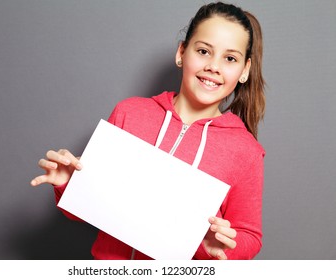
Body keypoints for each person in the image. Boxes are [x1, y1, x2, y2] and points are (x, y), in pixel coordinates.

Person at [31, 2, 266, 260]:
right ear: (182, 52)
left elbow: (249, 237)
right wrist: (69, 184)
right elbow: (83, 211)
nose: (214, 66)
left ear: (244, 71)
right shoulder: (128, 113)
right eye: (203, 51)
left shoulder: (246, 151)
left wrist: (216, 246)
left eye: (230, 58)